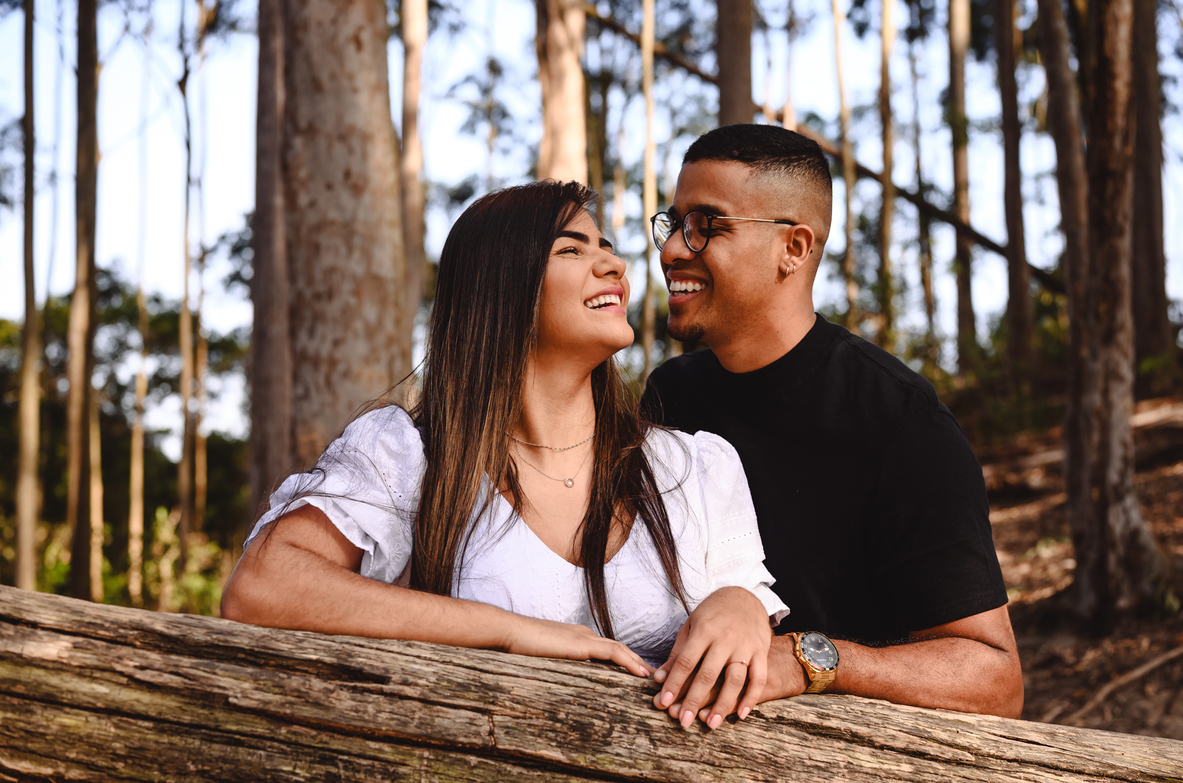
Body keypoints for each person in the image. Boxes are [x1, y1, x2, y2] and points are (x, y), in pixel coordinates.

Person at [222, 180, 787, 723]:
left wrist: (742, 607)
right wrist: (510, 631)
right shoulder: (409, 455)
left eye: (606, 246)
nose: (614, 264)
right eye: (571, 248)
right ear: (500, 284)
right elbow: (264, 586)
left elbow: (753, 626)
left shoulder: (694, 467)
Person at [641, 124, 1024, 727]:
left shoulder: (901, 420)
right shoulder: (670, 396)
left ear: (793, 248)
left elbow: (995, 680)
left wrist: (808, 659)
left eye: (706, 225)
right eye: (673, 224)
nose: (671, 251)